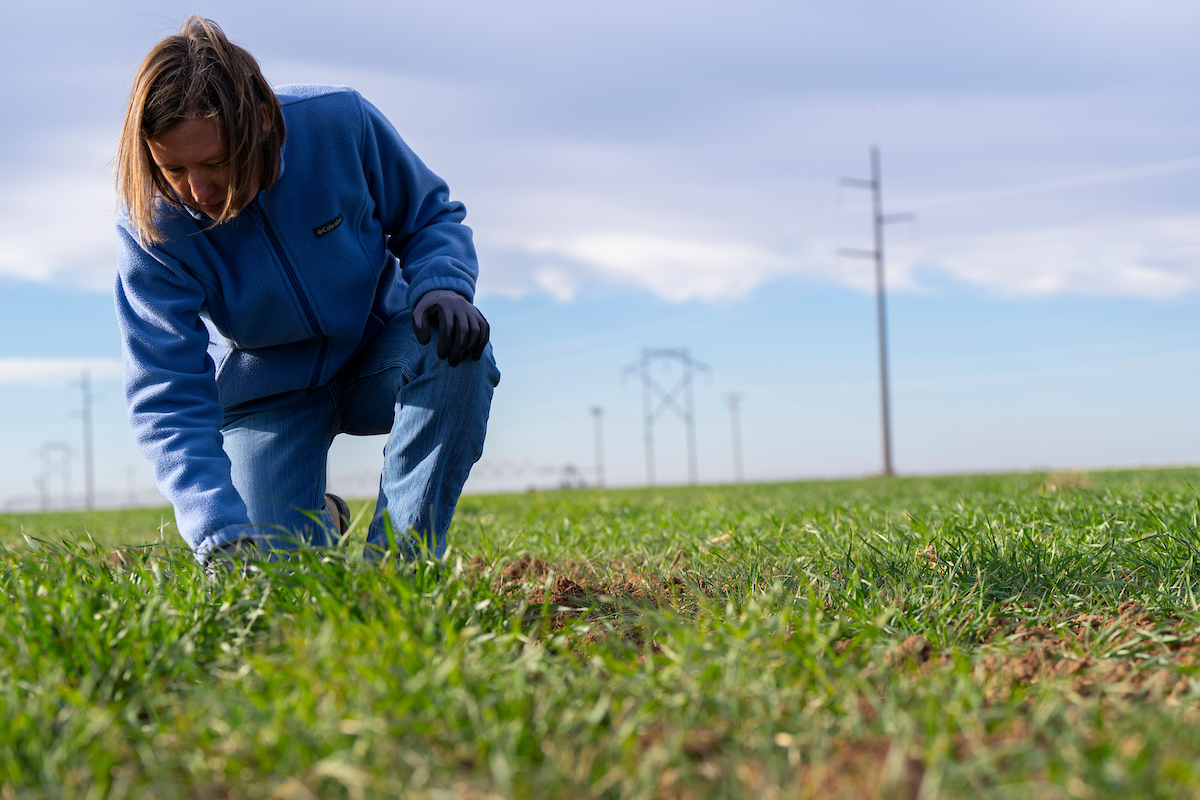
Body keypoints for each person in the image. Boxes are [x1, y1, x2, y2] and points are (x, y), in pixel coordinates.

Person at [113, 16, 499, 569]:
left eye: (217, 162)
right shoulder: (150, 229)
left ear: (264, 122)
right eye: (174, 169)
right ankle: (321, 516)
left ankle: (398, 573)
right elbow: (166, 390)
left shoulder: (338, 122)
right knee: (275, 582)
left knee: (459, 351)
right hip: (270, 394)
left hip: (379, 350)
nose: (199, 191)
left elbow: (429, 215)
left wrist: (443, 287)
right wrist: (216, 530)